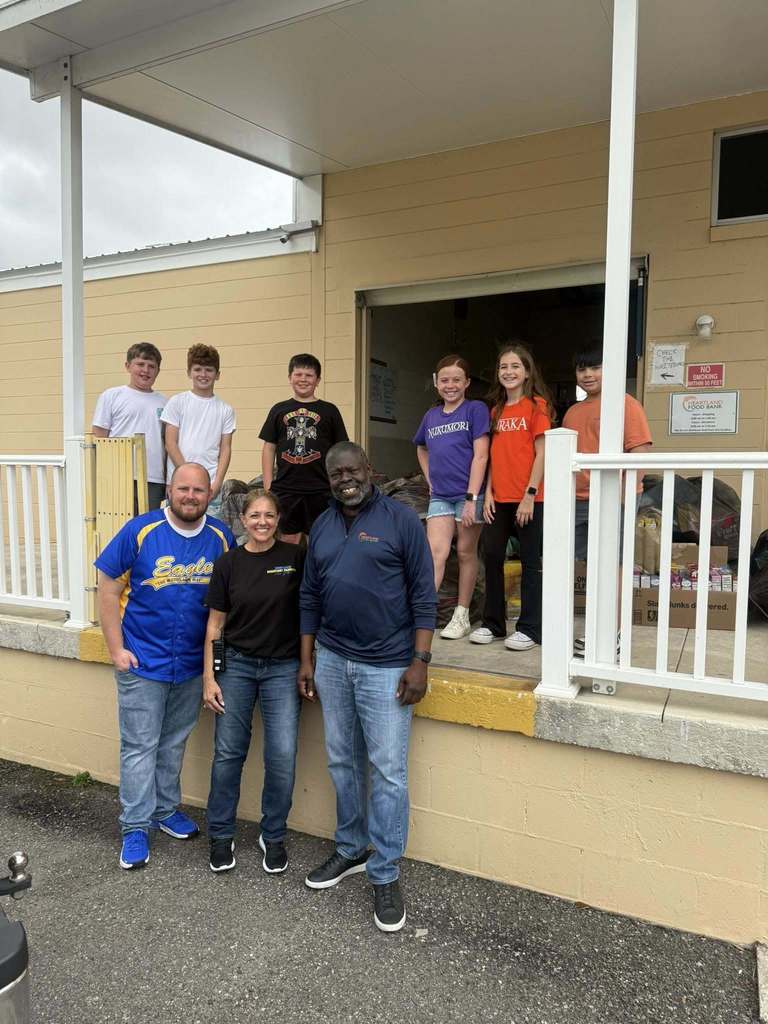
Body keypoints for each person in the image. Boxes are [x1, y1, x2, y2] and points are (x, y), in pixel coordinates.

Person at [298, 442, 436, 934]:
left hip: (387, 665)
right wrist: (308, 657)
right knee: (340, 758)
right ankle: (352, 848)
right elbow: (310, 593)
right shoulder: (323, 524)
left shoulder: (400, 520)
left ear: (370, 471)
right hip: (333, 659)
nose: (345, 479)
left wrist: (420, 662)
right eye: (337, 474)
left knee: (388, 770)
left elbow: (424, 593)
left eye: (353, 470)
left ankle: (384, 870)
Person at [95, 463, 235, 871]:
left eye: (199, 490)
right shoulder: (141, 530)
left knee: (173, 743)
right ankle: (135, 825)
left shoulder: (221, 536)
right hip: (142, 660)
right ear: (170, 490)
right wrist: (116, 649)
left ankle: (164, 809)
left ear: (210, 494)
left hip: (192, 665)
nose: (191, 496)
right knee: (140, 747)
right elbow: (107, 587)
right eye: (184, 488)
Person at [202, 489, 304, 875]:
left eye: (270, 515)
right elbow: (214, 625)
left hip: (282, 668)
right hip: (237, 666)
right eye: (255, 515)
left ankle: (273, 834)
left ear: (278, 520)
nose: (262, 522)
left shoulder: (296, 558)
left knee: (281, 755)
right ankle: (221, 834)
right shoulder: (228, 563)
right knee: (229, 753)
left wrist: (305, 665)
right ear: (242, 521)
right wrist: (210, 676)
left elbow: (308, 615)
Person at [562, 345, 652, 656]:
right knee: (583, 566)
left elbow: (640, 452)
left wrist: (627, 495)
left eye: (595, 368)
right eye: (582, 369)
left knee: (612, 566)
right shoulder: (573, 411)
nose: (588, 374)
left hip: (615, 498)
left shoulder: (626, 404)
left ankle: (611, 637)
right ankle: (590, 630)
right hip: (576, 499)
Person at [469, 344, 554, 651]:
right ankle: (493, 623)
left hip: (530, 498)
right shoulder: (496, 410)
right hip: (499, 498)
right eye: (503, 366)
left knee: (531, 561)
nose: (508, 372)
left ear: (527, 371)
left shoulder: (537, 407)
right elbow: (493, 455)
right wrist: (488, 491)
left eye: (515, 366)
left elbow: (542, 453)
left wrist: (530, 495)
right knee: (491, 556)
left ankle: (530, 628)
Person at [413, 355, 489, 639]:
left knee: (465, 552)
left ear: (467, 382)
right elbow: (421, 448)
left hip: (468, 495)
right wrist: (429, 478)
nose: (450, 385)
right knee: (435, 553)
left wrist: (471, 498)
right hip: (441, 496)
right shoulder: (431, 416)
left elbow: (481, 455)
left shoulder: (475, 410)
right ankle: (422, 617)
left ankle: (461, 615)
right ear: (436, 382)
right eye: (444, 380)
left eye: (457, 379)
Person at [259, 353, 348, 543]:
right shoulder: (278, 410)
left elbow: (341, 450)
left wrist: (339, 483)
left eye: (309, 375)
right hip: (286, 488)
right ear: (290, 378)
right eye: (298, 374)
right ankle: (291, 574)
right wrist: (268, 487)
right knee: (287, 543)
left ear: (318, 380)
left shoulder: (330, 411)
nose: (303, 379)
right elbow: (269, 448)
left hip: (321, 488)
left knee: (320, 542)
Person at [161, 344, 236, 516]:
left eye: (209, 370)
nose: (203, 375)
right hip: (178, 483)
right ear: (189, 372)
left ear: (217, 375)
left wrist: (217, 483)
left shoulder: (225, 410)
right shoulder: (177, 402)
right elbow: (170, 443)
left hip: (209, 484)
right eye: (197, 369)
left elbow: (225, 449)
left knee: (207, 534)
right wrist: (187, 475)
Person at [92, 341, 167, 511]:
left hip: (153, 478)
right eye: (140, 364)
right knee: (119, 527)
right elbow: (99, 436)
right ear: (127, 366)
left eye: (151, 366)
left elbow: (167, 442)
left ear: (158, 371)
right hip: (118, 474)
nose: (145, 370)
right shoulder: (112, 396)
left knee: (147, 527)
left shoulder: (165, 402)